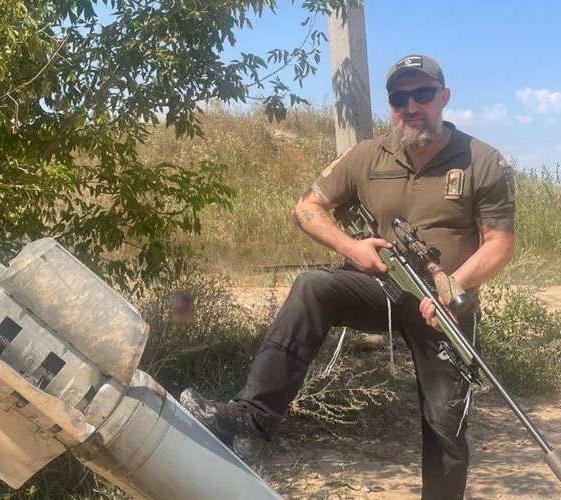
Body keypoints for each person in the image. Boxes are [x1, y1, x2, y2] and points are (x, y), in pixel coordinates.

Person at [180, 54, 515, 499]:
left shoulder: (482, 160)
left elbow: (499, 244)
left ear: (444, 97)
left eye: (423, 94)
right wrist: (352, 248)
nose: (411, 106)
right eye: (399, 98)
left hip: (445, 308)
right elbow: (307, 207)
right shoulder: (367, 155)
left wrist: (450, 288)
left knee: (445, 427)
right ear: (390, 105)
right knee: (313, 287)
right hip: (383, 287)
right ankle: (251, 420)